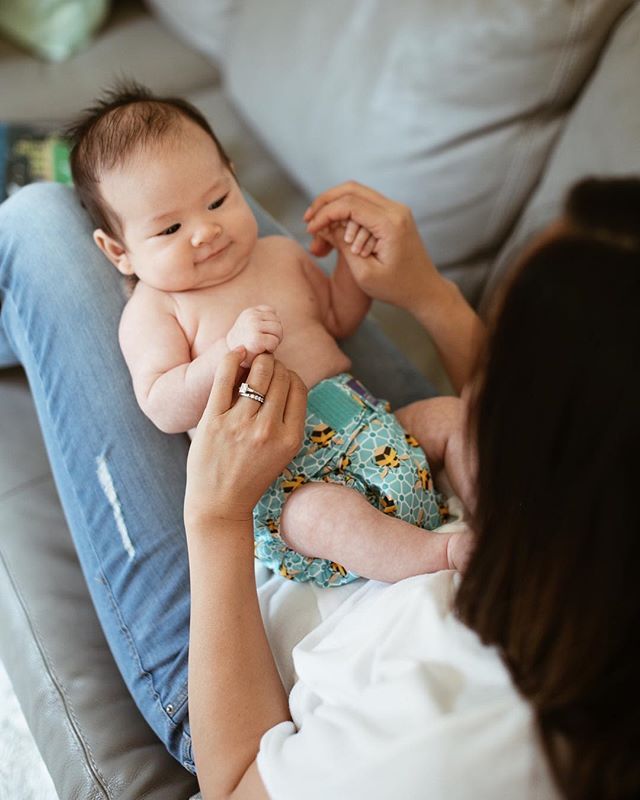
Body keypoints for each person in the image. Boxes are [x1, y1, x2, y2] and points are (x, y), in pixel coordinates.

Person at [1, 170, 637, 798]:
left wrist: (217, 515)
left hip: (263, 622)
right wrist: (429, 295)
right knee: (208, 221)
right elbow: (508, 425)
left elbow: (237, 785)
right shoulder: (594, 530)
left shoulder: (443, 747)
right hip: (406, 466)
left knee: (38, 222)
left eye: (500, 342)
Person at [65, 83, 472, 588]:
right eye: (169, 230)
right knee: (323, 518)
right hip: (287, 482)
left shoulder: (279, 254)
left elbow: (338, 320)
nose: (205, 231)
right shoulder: (155, 308)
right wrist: (226, 351)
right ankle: (439, 555)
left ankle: (497, 512)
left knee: (452, 416)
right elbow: (162, 403)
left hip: (374, 427)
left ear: (235, 178)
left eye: (217, 201)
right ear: (118, 251)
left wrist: (350, 263)